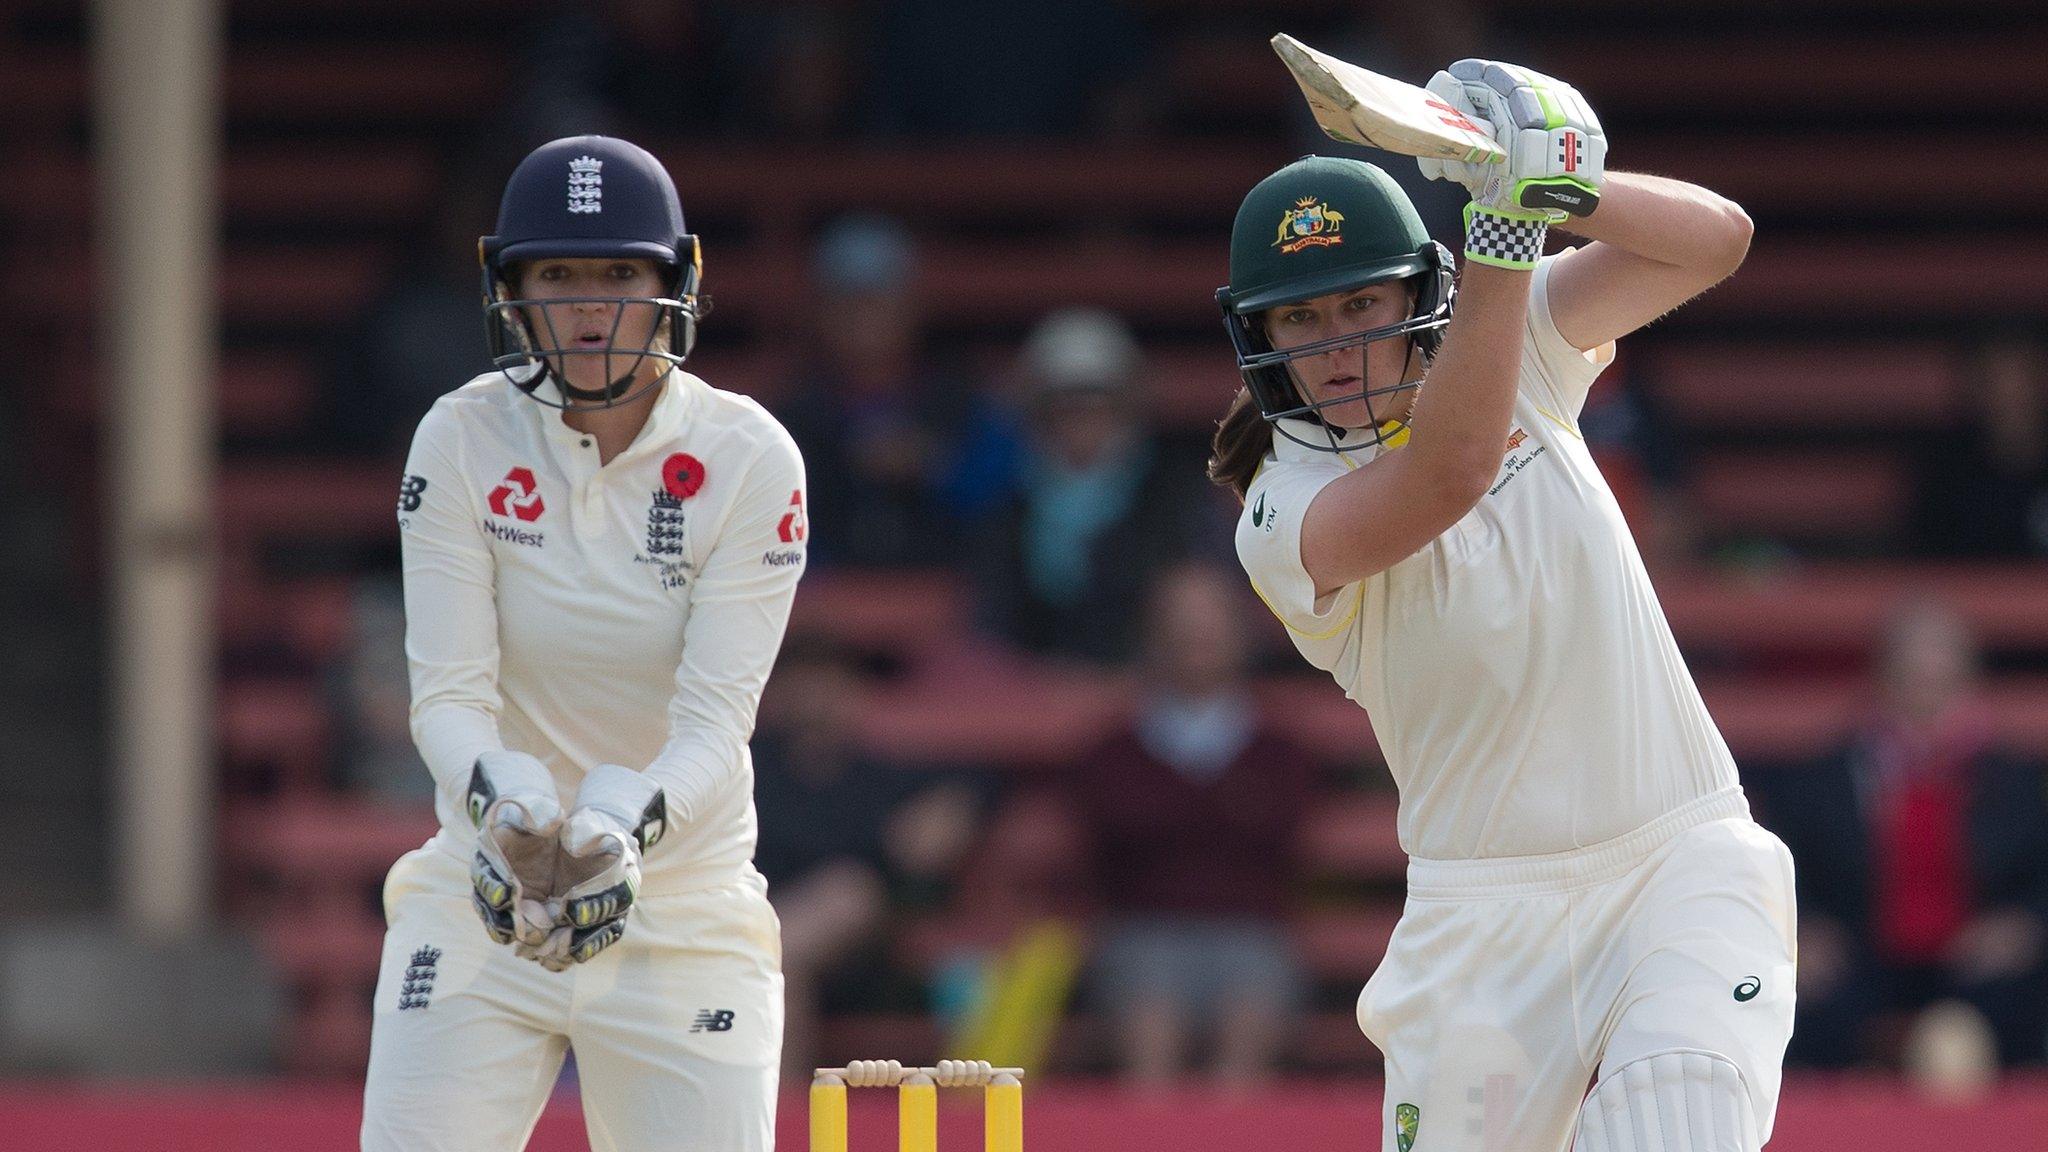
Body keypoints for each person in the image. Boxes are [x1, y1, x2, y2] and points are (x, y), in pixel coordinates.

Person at [1214, 61, 1789, 1152]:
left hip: (1677, 862)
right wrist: (1501, 228)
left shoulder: (1508, 329)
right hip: (1479, 933)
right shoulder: (1278, 509)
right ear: (1261, 339)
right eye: (1300, 320)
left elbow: (1713, 239)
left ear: (1412, 293)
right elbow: (1450, 471)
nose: (1334, 343)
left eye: (1358, 304)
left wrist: (1540, 181)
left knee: (1673, 1127)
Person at [362, 136, 806, 1152]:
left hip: (684, 912)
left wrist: (616, 825)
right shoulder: (460, 436)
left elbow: (714, 720)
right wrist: (508, 801)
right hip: (481, 895)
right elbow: (447, 696)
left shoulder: (748, 457)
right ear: (509, 291)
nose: (590, 305)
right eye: (557, 274)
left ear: (675, 284)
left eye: (619, 273)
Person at [1754, 599, 2048, 1070]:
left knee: (2014, 1002)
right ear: (1881, 681)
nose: (1928, 701)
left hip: (1975, 967)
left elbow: (2039, 878)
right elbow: (1781, 871)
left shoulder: (2014, 778)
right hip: (1860, 961)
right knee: (1807, 1003)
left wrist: (2023, 927)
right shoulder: (1822, 778)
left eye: (1944, 683)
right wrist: (1801, 929)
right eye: (1913, 681)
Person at [1069, 562, 1315, 1087]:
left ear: (1238, 634)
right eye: (1181, 623)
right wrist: (1223, 807)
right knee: (1149, 1034)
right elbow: (1113, 832)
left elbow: (1279, 832)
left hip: (1252, 935)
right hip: (1144, 934)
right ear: (1154, 636)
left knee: (1247, 1034)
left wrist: (1175, 812)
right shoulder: (1111, 751)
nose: (1196, 638)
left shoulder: (1281, 750)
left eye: (1210, 624)